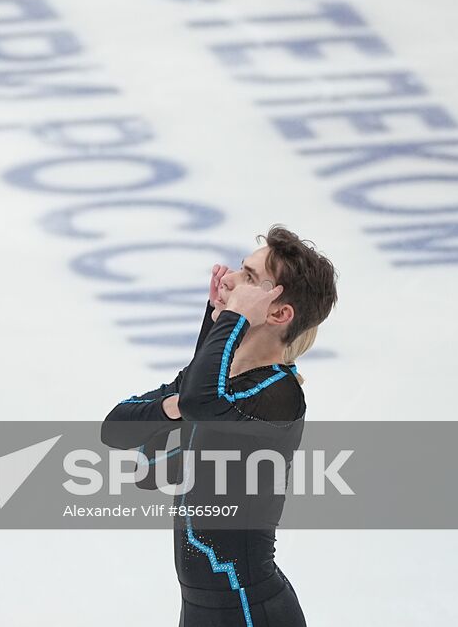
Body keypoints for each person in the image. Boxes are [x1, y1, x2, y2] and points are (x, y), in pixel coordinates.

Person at [101, 225, 338, 627]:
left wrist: (226, 321)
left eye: (248, 278)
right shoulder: (217, 391)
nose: (227, 278)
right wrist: (212, 337)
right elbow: (120, 434)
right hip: (203, 613)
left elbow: (200, 402)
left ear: (279, 313)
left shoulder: (277, 396)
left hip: (252, 614)